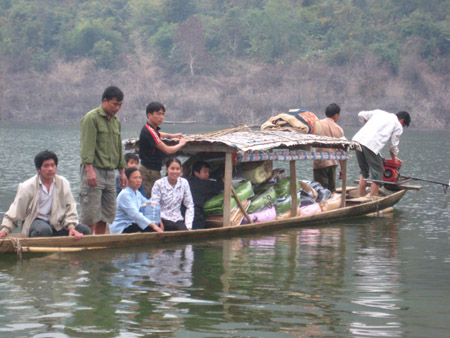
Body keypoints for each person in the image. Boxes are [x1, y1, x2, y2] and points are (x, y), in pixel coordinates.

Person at [0, 151, 90, 239]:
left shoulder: (63, 183)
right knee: (44, 230)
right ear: (39, 169)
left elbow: (70, 208)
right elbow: (16, 210)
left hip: (57, 223)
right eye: (46, 166)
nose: (50, 169)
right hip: (36, 223)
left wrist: (71, 227)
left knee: (85, 230)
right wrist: (5, 230)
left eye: (53, 165)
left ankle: (61, 246)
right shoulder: (27, 187)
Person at [79, 86, 127, 235]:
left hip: (110, 172)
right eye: (114, 104)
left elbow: (118, 147)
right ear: (104, 101)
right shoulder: (91, 118)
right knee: (91, 212)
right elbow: (87, 146)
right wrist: (89, 170)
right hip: (94, 169)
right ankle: (87, 245)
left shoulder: (116, 121)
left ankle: (99, 241)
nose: (117, 108)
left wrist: (122, 171)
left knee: (106, 212)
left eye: (120, 105)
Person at [352, 109, 411, 197]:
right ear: (402, 121)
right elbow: (393, 146)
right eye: (403, 125)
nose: (402, 126)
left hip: (357, 141)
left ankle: (362, 197)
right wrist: (394, 159)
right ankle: (371, 200)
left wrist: (370, 123)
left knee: (364, 172)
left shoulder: (379, 113)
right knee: (378, 176)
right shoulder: (397, 124)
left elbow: (361, 114)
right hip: (370, 145)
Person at [139, 102, 187, 197]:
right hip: (149, 171)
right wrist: (181, 144)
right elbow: (168, 150)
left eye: (162, 114)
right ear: (149, 115)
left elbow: (157, 134)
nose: (161, 117)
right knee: (151, 199)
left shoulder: (150, 129)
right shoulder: (149, 131)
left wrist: (172, 135)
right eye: (158, 114)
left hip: (151, 169)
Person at [109, 167, 164, 234]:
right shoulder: (125, 194)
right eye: (135, 178)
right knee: (151, 229)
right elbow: (135, 214)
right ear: (127, 180)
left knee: (154, 226)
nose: (138, 180)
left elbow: (147, 203)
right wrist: (153, 225)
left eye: (140, 178)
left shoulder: (137, 193)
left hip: (132, 223)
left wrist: (157, 218)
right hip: (122, 226)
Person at [149, 158, 194, 231]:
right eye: (172, 169)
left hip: (178, 219)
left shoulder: (184, 183)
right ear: (167, 169)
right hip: (163, 219)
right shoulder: (159, 184)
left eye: (177, 169)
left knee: (184, 235)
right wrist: (158, 221)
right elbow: (154, 204)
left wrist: (188, 225)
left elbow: (189, 205)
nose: (175, 172)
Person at [312, 103, 345, 192]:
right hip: (333, 163)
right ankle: (333, 205)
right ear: (336, 115)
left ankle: (323, 205)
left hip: (320, 163)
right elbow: (341, 150)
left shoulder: (317, 124)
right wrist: (342, 168)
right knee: (331, 191)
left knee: (320, 191)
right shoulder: (339, 129)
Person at [188, 161, 224, 229]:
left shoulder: (187, 181)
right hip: (196, 221)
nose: (207, 174)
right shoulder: (203, 184)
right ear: (196, 173)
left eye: (208, 172)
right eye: (205, 172)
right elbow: (222, 184)